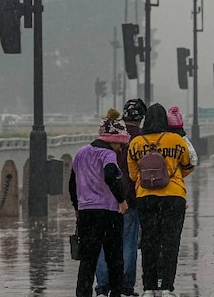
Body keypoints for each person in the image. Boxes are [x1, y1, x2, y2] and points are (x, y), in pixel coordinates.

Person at [127, 103, 195, 297]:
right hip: (173, 196)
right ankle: (166, 286)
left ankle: (149, 287)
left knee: (149, 242)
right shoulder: (175, 139)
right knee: (171, 242)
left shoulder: (137, 143)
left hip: (145, 197)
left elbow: (133, 174)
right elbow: (189, 164)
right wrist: (175, 176)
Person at [69, 109, 130, 297]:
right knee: (114, 258)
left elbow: (72, 183)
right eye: (120, 144)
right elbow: (111, 175)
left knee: (88, 259)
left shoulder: (80, 153)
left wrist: (77, 207)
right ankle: (116, 293)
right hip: (109, 212)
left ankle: (82, 293)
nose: (121, 148)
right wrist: (122, 200)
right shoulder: (107, 154)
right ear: (114, 140)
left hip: (87, 212)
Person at [94, 98, 145, 297]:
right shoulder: (141, 139)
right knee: (129, 242)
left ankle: (103, 286)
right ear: (142, 118)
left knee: (104, 242)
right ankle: (125, 287)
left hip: (104, 197)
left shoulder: (110, 136)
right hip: (131, 197)